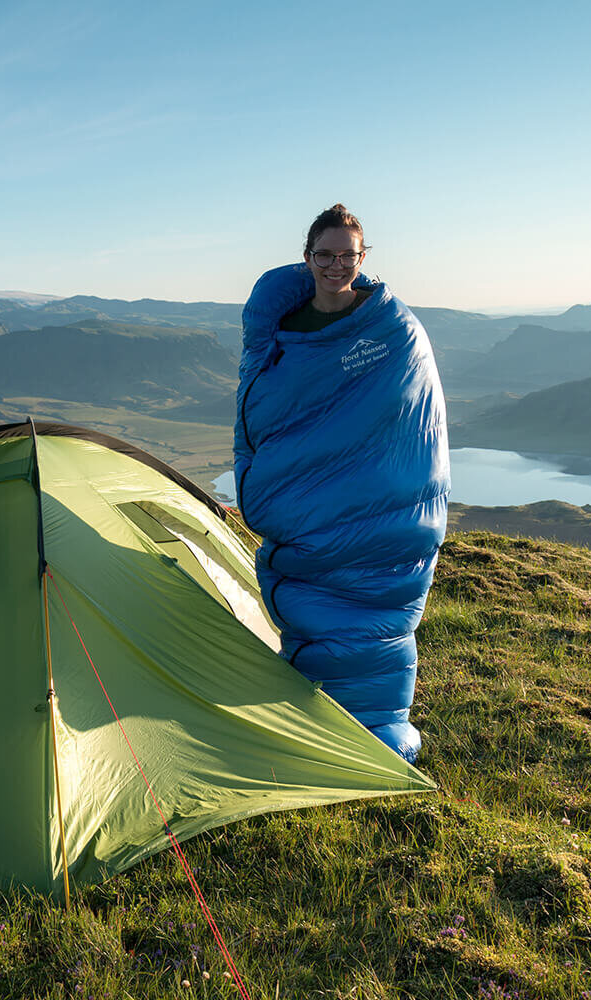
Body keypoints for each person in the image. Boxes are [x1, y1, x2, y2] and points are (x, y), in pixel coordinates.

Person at [233, 204, 449, 763]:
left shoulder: (391, 328)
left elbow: (411, 421)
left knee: (370, 617)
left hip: (383, 521)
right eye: (325, 255)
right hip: (311, 521)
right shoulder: (278, 330)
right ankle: (324, 724)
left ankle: (371, 728)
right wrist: (277, 484)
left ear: (363, 257)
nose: (336, 265)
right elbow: (259, 413)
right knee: (318, 614)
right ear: (307, 258)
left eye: (347, 255)